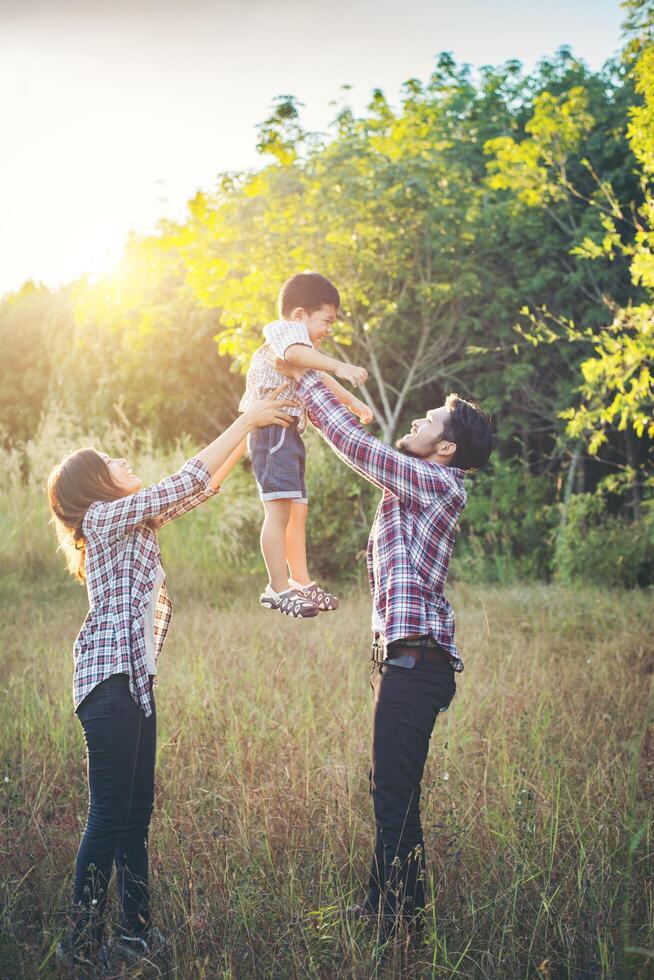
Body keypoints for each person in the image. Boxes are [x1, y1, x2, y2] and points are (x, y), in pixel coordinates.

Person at [47, 388, 295, 972]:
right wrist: (248, 417)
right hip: (108, 683)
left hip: (133, 682)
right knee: (109, 815)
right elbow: (183, 480)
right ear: (96, 485)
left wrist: (253, 435)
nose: (124, 463)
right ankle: (77, 949)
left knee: (136, 813)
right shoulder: (105, 518)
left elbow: (198, 488)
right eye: (112, 462)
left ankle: (133, 936)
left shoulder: (131, 522)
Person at [278, 362, 494, 934]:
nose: (418, 419)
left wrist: (300, 380)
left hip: (416, 662)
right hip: (402, 662)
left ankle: (402, 922)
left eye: (429, 419)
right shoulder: (418, 483)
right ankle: (385, 905)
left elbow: (355, 447)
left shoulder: (437, 482)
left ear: (444, 448)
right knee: (390, 790)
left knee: (393, 796)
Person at [239, 272, 371, 618]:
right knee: (279, 511)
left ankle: (300, 580)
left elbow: (319, 378)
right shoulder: (285, 333)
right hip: (272, 434)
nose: (329, 328)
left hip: (288, 435)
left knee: (298, 511)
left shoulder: (304, 351)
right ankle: (277, 587)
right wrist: (341, 366)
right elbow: (308, 360)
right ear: (300, 315)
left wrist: (352, 403)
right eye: (326, 320)